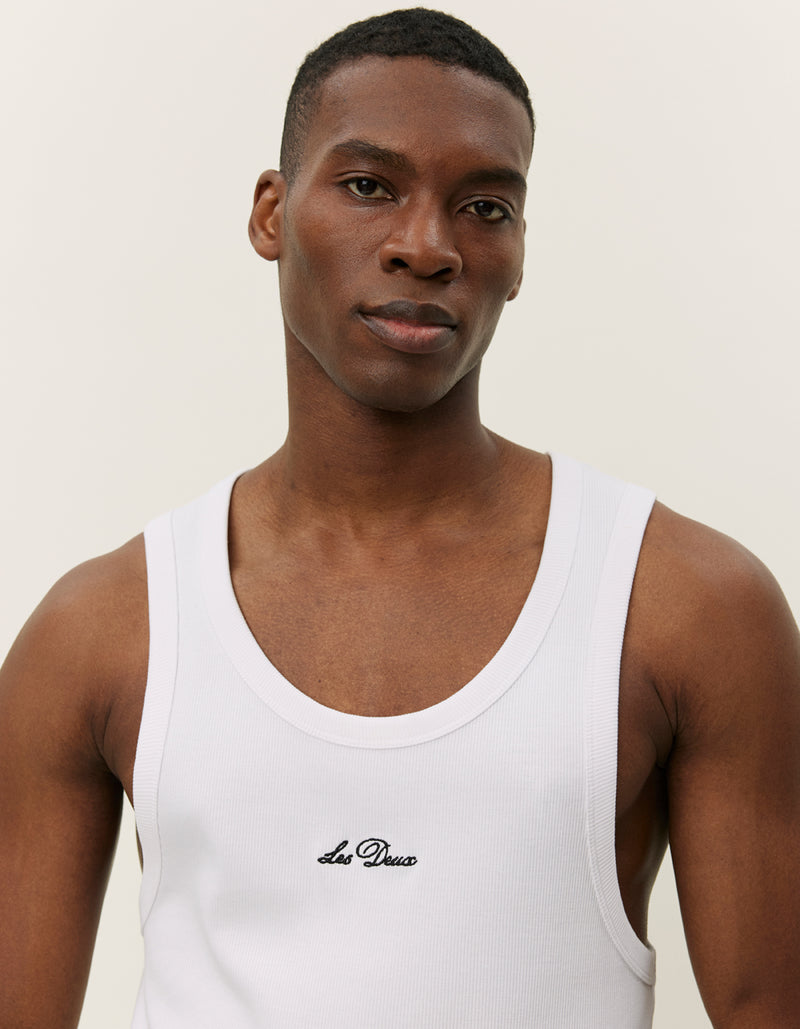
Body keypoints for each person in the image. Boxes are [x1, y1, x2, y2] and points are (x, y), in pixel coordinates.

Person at [1, 7, 798, 1027]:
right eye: (369, 186)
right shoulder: (102, 632)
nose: (427, 247)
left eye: (484, 207)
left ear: (520, 253)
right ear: (271, 214)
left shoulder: (687, 606)